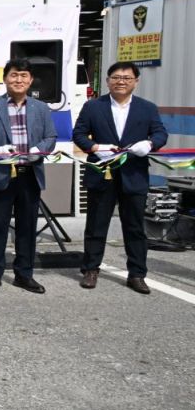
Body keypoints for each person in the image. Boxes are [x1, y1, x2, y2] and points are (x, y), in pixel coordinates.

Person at [72, 61, 168, 294]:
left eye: (126, 78)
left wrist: (150, 144)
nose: (121, 82)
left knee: (135, 227)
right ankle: (91, 269)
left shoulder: (147, 108)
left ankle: (137, 274)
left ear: (136, 81)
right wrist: (95, 148)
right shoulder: (94, 106)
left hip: (134, 175)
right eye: (115, 77)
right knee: (96, 225)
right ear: (107, 81)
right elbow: (79, 134)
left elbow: (160, 133)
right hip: (102, 174)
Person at [0, 59, 57, 294]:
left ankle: (24, 274)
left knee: (27, 226)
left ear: (30, 80)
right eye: (14, 75)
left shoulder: (40, 108)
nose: (19, 80)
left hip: (29, 174)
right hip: (1, 173)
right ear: (5, 79)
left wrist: (38, 149)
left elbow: (51, 137)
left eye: (24, 75)